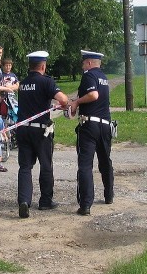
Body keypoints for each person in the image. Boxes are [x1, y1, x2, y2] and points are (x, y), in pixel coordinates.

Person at [15, 50, 68, 219]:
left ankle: (24, 200)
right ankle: (45, 200)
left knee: (25, 167)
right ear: (43, 66)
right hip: (41, 130)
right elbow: (64, 99)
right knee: (46, 165)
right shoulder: (46, 82)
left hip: (23, 128)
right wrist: (62, 105)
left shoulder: (23, 83)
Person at [68, 50, 114, 216]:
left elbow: (93, 95)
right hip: (105, 125)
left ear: (88, 63)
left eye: (83, 62)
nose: (82, 66)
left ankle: (86, 204)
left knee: (85, 165)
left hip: (89, 126)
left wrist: (77, 102)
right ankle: (109, 195)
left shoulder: (88, 76)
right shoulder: (104, 78)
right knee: (105, 161)